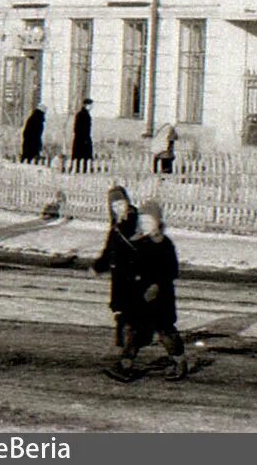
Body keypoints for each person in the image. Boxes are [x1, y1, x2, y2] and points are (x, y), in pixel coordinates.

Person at [108, 199, 191, 382]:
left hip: (160, 298)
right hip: (140, 296)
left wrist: (156, 286)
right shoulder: (139, 242)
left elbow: (171, 270)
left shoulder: (164, 244)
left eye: (149, 221)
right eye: (142, 221)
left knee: (165, 331)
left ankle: (179, 362)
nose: (145, 225)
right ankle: (126, 365)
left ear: (158, 222)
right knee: (132, 329)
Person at [92, 184, 142, 348]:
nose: (118, 208)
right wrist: (99, 266)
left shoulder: (136, 222)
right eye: (114, 206)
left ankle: (127, 357)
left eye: (121, 204)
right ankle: (125, 351)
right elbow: (110, 249)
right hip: (120, 275)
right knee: (121, 311)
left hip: (134, 274)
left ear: (127, 202)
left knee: (131, 313)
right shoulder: (116, 225)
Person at [71, 100, 95, 170]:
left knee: (81, 154)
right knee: (82, 154)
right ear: (86, 105)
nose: (91, 107)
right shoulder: (83, 115)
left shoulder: (83, 114)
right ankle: (81, 168)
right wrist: (85, 137)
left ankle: (81, 167)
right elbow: (79, 128)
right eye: (90, 105)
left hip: (82, 138)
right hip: (82, 138)